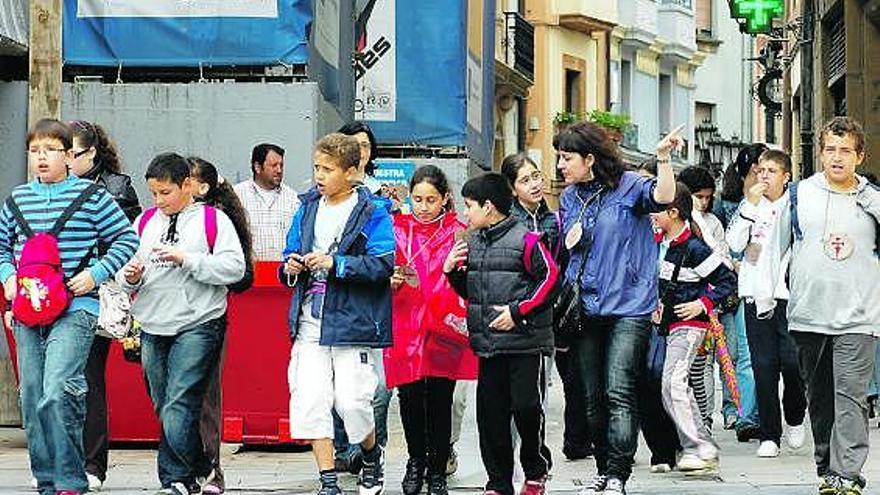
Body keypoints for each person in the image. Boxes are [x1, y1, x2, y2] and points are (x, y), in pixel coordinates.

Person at [0, 118, 139, 495]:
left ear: (68, 155)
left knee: (59, 388)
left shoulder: (93, 198)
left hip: (77, 305)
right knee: (31, 393)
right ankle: (45, 478)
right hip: (29, 307)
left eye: (50, 150)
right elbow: (2, 247)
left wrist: (97, 273)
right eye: (34, 151)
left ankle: (70, 478)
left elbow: (126, 239)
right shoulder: (17, 199)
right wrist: (7, 277)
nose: (41, 158)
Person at [554, 122, 676, 495]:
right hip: (586, 308)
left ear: (589, 159)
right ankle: (604, 471)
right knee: (591, 397)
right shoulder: (569, 198)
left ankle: (618, 476)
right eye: (558, 157)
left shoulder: (630, 186)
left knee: (619, 390)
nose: (560, 165)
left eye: (566, 158)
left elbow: (663, 195)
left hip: (628, 306)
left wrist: (664, 158)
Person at [118, 153, 245, 495]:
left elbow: (235, 268)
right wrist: (131, 276)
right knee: (163, 400)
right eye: (154, 193)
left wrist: (187, 260)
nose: (158, 201)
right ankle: (202, 466)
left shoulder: (212, 220)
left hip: (200, 321)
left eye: (165, 192)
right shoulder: (144, 223)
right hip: (152, 323)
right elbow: (125, 271)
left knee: (180, 399)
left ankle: (175, 477)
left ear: (188, 185)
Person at [281, 133, 393, 495]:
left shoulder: (374, 211)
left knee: (353, 402)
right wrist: (292, 265)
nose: (319, 175)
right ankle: (328, 481)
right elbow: (289, 252)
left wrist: (336, 264)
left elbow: (383, 264)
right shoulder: (307, 207)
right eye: (316, 167)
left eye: (327, 169)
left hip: (353, 321)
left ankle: (371, 455)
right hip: (309, 321)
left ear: (351, 171)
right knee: (310, 400)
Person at [443, 172, 559, 495]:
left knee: (526, 409)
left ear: (488, 206)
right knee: (491, 417)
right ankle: (498, 482)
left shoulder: (528, 239)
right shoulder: (471, 242)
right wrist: (451, 272)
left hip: (526, 343)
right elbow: (472, 293)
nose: (466, 214)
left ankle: (535, 471)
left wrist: (517, 312)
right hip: (489, 345)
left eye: (469, 206)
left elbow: (550, 280)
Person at [786, 117, 879, 495]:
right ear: (820, 154)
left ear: (859, 156)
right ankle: (827, 467)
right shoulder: (798, 195)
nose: (837, 158)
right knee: (820, 398)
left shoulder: (874, 199)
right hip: (810, 314)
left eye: (845, 151)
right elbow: (772, 247)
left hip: (859, 316)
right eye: (830, 150)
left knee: (851, 396)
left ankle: (848, 474)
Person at [385, 165, 478, 495]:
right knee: (409, 397)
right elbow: (381, 268)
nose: (423, 207)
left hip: (445, 326)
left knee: (442, 398)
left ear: (445, 199)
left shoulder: (459, 231)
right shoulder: (396, 228)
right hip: (406, 323)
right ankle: (415, 462)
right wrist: (389, 280)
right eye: (417, 199)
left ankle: (437, 468)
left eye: (431, 200)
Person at [67, 119, 142, 492]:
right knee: (59, 382)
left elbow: (128, 241)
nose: (65, 160)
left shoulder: (115, 187)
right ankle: (63, 460)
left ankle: (93, 463)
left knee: (89, 378)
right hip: (58, 291)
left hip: (97, 292)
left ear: (92, 153)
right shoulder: (50, 188)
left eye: (72, 153)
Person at [501, 153, 591, 462]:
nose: (535, 184)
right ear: (512, 189)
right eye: (525, 180)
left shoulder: (555, 220)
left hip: (547, 313)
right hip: (513, 311)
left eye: (536, 176)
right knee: (512, 394)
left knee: (537, 388)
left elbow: (561, 264)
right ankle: (509, 457)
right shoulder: (507, 221)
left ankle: (532, 453)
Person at [726, 149, 807, 459]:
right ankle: (769, 435)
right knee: (763, 366)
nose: (764, 176)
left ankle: (796, 415)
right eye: (761, 171)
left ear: (785, 177)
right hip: (755, 294)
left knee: (790, 362)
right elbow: (734, 245)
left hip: (788, 295)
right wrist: (750, 206)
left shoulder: (796, 205)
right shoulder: (749, 207)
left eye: (772, 171)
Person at [652, 183, 737, 473]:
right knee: (676, 385)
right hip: (673, 325)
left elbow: (727, 281)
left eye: (657, 209)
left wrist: (702, 303)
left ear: (673, 212)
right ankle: (702, 445)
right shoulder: (668, 245)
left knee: (673, 383)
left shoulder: (694, 248)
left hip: (690, 326)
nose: (652, 214)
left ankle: (698, 447)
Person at [188, 157, 255, 495]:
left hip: (207, 317)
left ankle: (210, 468)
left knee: (205, 396)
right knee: (169, 397)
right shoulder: (157, 218)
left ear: (200, 187)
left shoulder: (219, 221)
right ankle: (183, 468)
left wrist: (196, 265)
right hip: (163, 318)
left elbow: (243, 274)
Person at [334, 121, 394, 473]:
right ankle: (343, 449)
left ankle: (373, 447)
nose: (361, 151)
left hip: (370, 300)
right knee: (337, 385)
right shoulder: (322, 195)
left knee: (376, 385)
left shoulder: (380, 198)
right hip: (334, 300)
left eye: (366, 145)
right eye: (354, 144)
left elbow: (386, 255)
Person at [678, 166, 738, 430]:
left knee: (704, 365)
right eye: (697, 196)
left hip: (708, 303)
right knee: (684, 369)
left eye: (707, 197)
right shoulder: (673, 220)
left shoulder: (712, 222)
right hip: (680, 302)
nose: (703, 202)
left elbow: (722, 259)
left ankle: (705, 421)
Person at [715, 144, 767, 443]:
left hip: (769, 286)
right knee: (740, 354)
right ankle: (745, 413)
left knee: (769, 357)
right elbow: (724, 244)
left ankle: (760, 410)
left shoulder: (779, 202)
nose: (762, 174)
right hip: (736, 289)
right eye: (758, 168)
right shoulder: (728, 205)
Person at [233, 143, 300, 261]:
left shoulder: (293, 199)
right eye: (274, 165)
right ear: (257, 167)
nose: (279, 170)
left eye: (281, 165)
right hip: (250, 273)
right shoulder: (237, 196)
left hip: (283, 273)